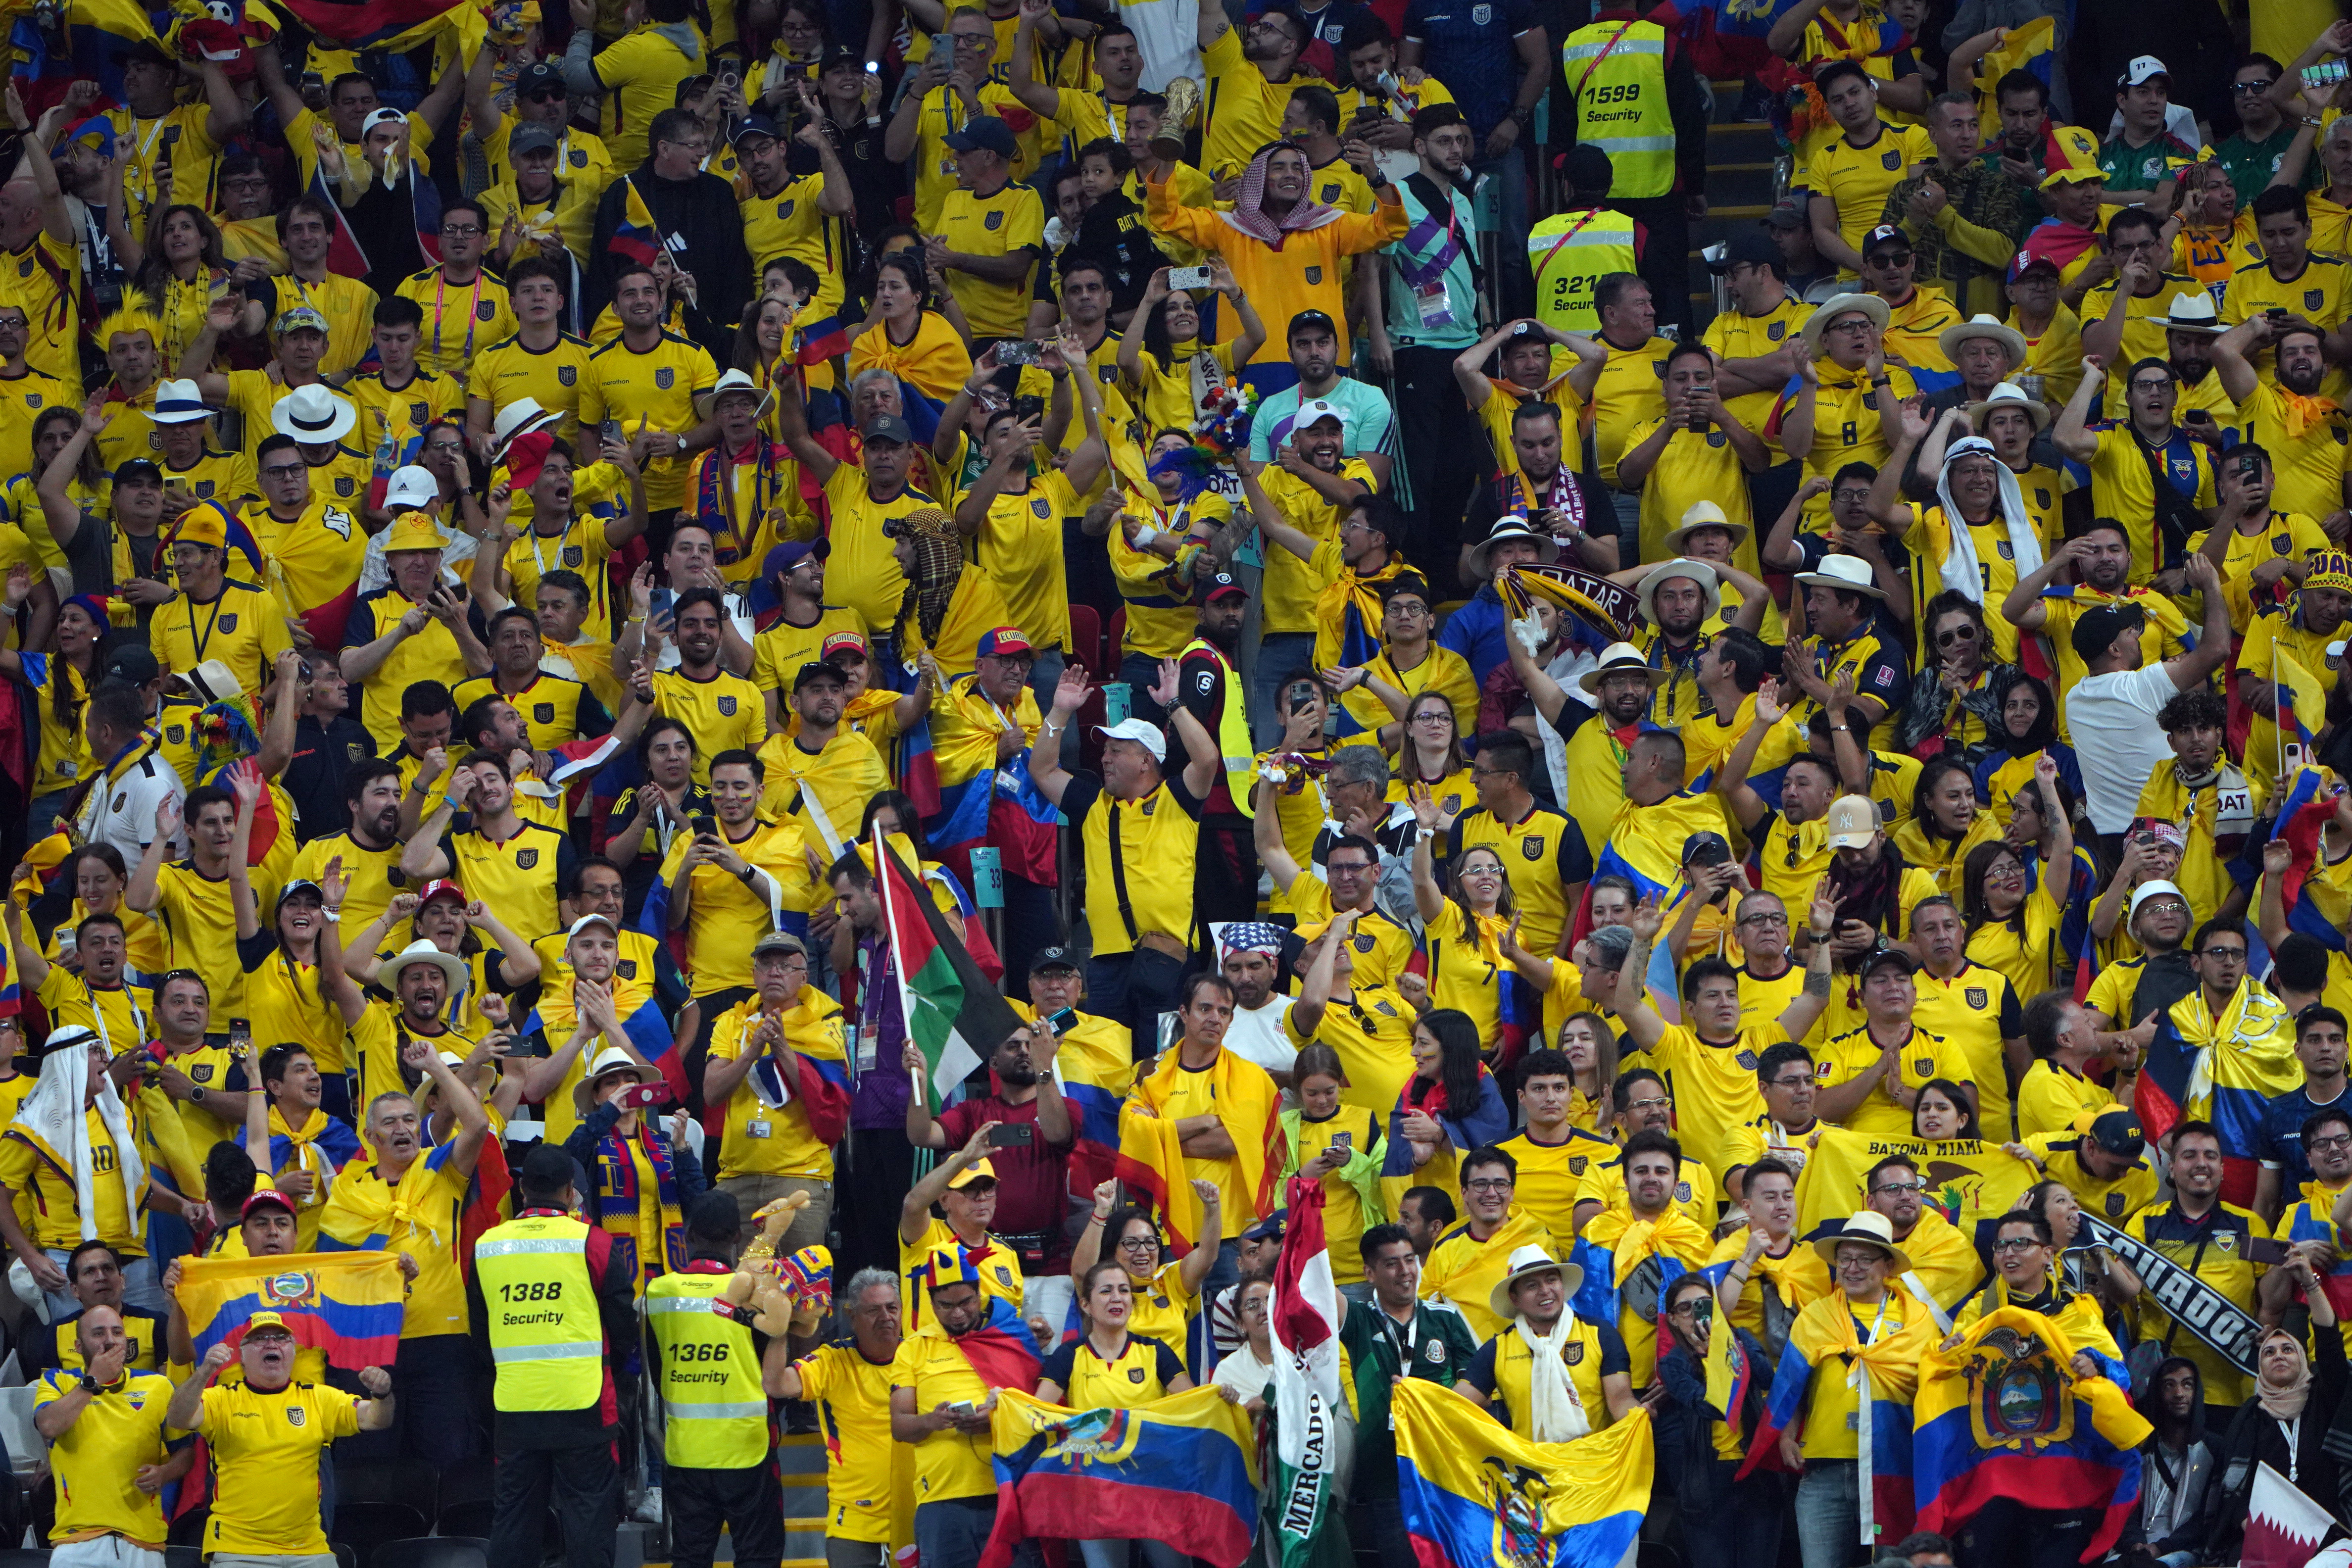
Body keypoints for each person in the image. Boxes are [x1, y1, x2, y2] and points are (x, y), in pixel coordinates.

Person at [318, 1037, 492, 1467]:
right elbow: (335, 1270)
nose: (403, 1130)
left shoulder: (441, 1171)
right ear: (370, 1135)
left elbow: (477, 1126)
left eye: (411, 1121)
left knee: (449, 1457)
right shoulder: (346, 1191)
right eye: (391, 1123)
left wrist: (436, 1067)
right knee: (375, 1462)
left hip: (441, 1336)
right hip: (373, 1340)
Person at [469, 1140, 640, 1568]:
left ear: (522, 1189)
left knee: (513, 1519)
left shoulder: (487, 1246)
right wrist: (613, 1368)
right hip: (584, 1402)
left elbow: (479, 1330)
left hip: (514, 1403)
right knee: (588, 1516)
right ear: (570, 1191)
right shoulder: (593, 1243)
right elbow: (623, 1323)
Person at [164, 1313, 393, 1560]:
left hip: (308, 1548)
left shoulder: (320, 1399)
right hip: (237, 1548)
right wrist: (204, 1372)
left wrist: (382, 1394)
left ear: (293, 1352)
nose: (271, 1344)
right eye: (259, 1339)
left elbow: (377, 1419)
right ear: (242, 1357)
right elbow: (178, 1418)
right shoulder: (222, 1399)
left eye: (281, 1338)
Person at [906, 1012, 1076, 1336]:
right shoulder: (973, 1112)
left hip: (1051, 1265)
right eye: (1013, 1046)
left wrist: (1045, 1068)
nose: (1025, 1051)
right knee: (993, 1358)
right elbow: (922, 1136)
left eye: (1030, 1045)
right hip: (983, 1263)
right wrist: (919, 1080)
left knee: (1048, 1361)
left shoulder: (1063, 1107)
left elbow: (1057, 1133)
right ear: (993, 1061)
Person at [889, 1248, 1044, 1568]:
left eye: (966, 1303)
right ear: (931, 1303)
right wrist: (933, 1420)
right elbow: (900, 1426)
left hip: (1008, 1493)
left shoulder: (1010, 1338)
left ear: (979, 1294)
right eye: (946, 1306)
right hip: (942, 1502)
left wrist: (998, 1420)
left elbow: (1041, 1412)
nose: (957, 1314)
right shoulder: (912, 1349)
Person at [1339, 1222, 1478, 1568]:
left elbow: (1479, 1389)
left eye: (1411, 1260)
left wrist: (1424, 1403)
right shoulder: (1357, 1319)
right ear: (1369, 1273)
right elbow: (1317, 1288)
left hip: (1446, 1470)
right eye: (1391, 1264)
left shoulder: (1446, 1319)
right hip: (1388, 1474)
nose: (1405, 1272)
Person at [2062, 562, 2234, 839]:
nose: (2138, 635)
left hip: (2103, 839)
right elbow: (2218, 648)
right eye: (2129, 632)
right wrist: (2212, 587)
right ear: (2114, 649)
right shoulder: (2142, 686)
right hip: (2152, 837)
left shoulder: (2074, 699)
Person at [34, 1297, 191, 1567]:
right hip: (76, 1542)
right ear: (78, 1346)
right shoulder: (58, 1381)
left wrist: (165, 1473)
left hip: (143, 1541)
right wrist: (93, 1380)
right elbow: (49, 1426)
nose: (110, 1340)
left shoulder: (158, 1386)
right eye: (98, 1333)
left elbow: (186, 1453)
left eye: (117, 1332)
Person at [770, 1267, 904, 1568]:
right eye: (873, 1310)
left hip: (917, 1516)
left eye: (892, 1307)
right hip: (854, 1523)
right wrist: (780, 1329)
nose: (886, 1317)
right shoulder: (833, 1360)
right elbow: (777, 1384)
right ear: (852, 1318)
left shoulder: (920, 1355)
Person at [1457, 1243, 1635, 1437]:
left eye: (1552, 1280)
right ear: (1515, 1299)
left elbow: (1621, 1403)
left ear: (1562, 1286)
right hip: (1531, 1465)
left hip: (1595, 1461)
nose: (1545, 1290)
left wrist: (1640, 1416)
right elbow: (1455, 1404)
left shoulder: (1600, 1334)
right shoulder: (1499, 1348)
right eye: (1532, 1286)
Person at [1418, 1144, 1552, 1341]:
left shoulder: (1536, 1237)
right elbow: (1427, 1307)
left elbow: (1556, 1303)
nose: (1491, 1193)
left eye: (1501, 1184)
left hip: (1528, 1351)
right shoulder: (1446, 1244)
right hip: (1463, 1356)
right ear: (1464, 1192)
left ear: (1512, 1192)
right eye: (1480, 1184)